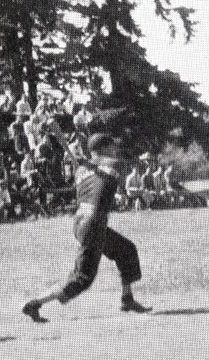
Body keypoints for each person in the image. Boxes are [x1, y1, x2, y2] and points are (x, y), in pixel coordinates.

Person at [22, 133, 151, 323]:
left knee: (126, 250)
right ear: (105, 148)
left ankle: (127, 298)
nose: (115, 150)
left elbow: (98, 172)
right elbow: (116, 165)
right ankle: (35, 303)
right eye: (112, 147)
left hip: (82, 221)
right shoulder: (110, 164)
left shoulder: (81, 169)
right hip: (93, 223)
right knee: (82, 278)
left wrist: (88, 160)